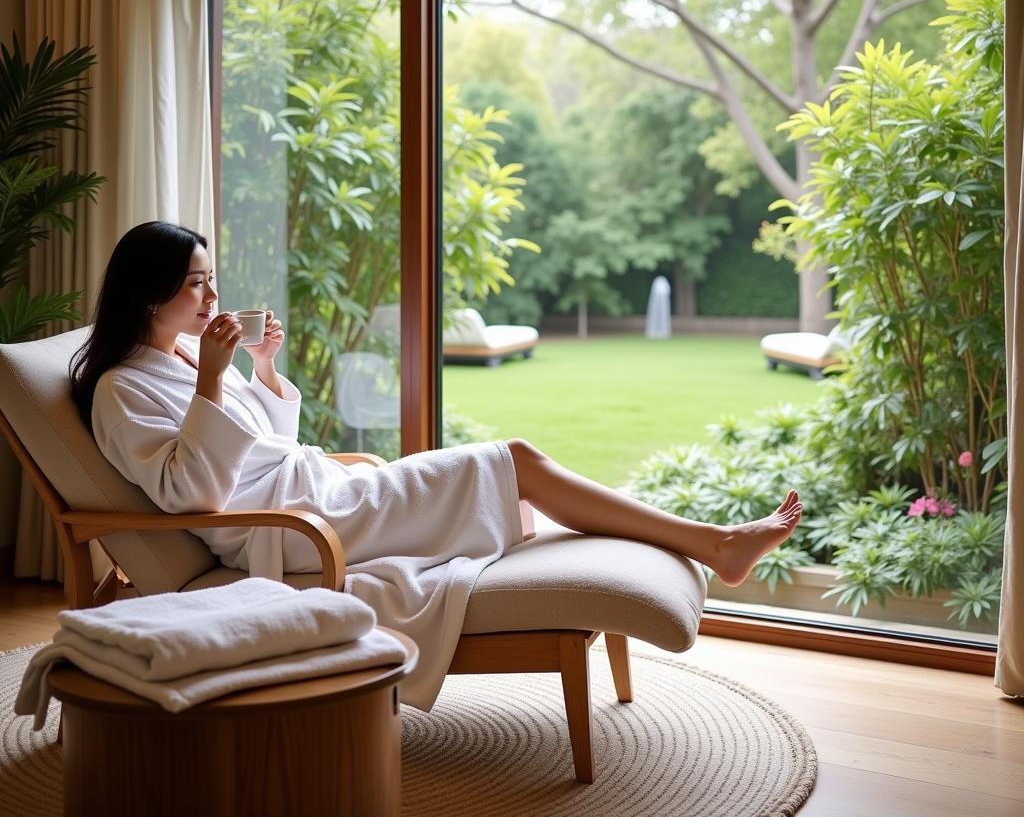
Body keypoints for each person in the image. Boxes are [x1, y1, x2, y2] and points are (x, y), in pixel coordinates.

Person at [70, 221, 802, 708]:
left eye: (211, 279)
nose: (213, 294)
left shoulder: (190, 360)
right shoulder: (121, 388)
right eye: (197, 282)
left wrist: (258, 372)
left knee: (513, 463)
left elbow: (261, 442)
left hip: (321, 494)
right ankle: (713, 543)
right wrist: (209, 381)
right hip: (290, 528)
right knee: (513, 459)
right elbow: (188, 496)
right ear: (149, 291)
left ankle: (711, 541)